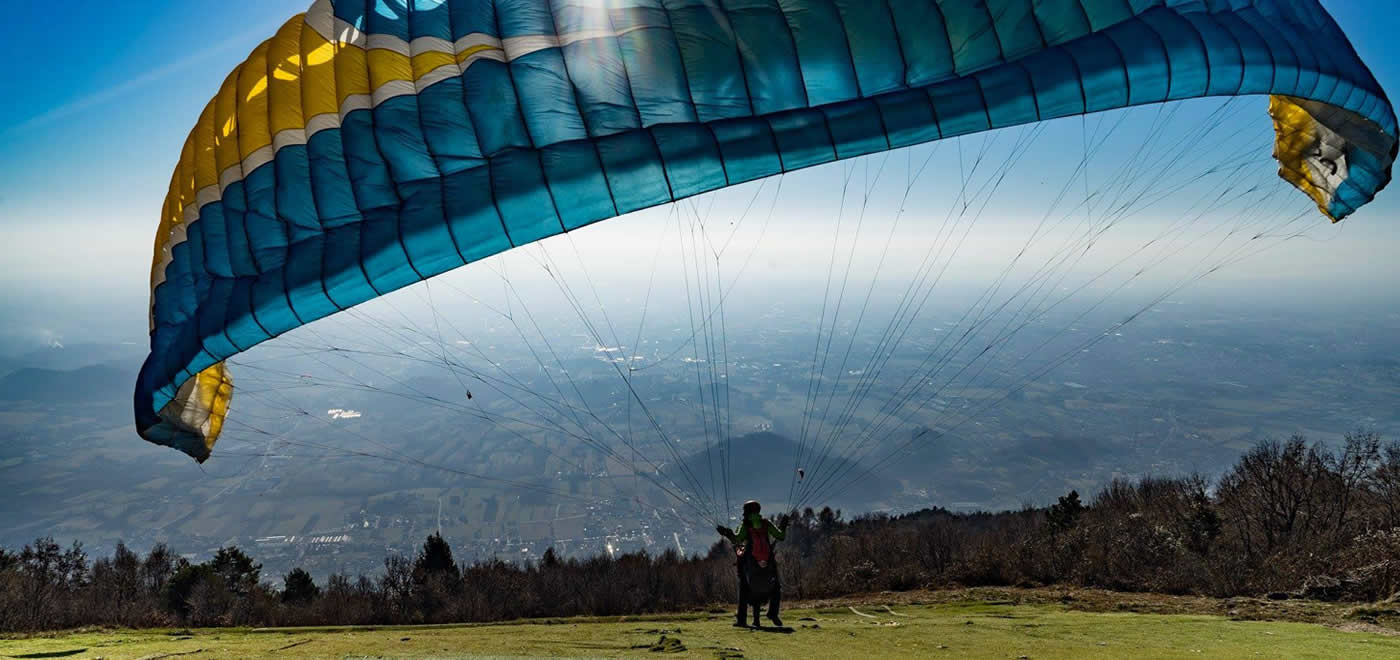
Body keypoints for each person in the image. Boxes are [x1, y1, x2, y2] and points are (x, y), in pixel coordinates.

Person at [716, 500, 787, 627]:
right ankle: (773, 613)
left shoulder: (746, 526)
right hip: (768, 562)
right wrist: (784, 524)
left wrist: (726, 532)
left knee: (745, 589)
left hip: (750, 563)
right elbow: (780, 536)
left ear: (746, 512)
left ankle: (742, 620)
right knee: (775, 587)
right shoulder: (766, 523)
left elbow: (737, 539)